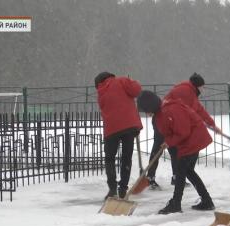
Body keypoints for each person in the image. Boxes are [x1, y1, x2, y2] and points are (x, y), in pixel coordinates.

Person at [137, 90, 215, 214]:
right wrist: (167, 140)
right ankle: (206, 201)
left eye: (145, 110)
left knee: (181, 170)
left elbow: (183, 132)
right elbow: (171, 131)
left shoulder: (170, 110)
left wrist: (169, 141)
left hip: (193, 140)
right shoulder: (161, 113)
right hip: (191, 140)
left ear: (150, 106)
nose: (146, 114)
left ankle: (176, 203)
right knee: (187, 171)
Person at [146, 73, 222, 190]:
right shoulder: (185, 91)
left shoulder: (190, 91)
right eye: (202, 87)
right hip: (163, 122)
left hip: (171, 123)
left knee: (175, 149)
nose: (203, 90)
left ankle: (176, 177)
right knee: (159, 148)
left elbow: (198, 110)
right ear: (196, 86)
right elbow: (186, 113)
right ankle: (150, 177)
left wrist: (212, 124)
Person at [95, 72, 142, 200]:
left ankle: (112, 188)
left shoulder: (101, 91)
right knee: (126, 158)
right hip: (129, 126)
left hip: (112, 129)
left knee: (110, 158)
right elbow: (137, 90)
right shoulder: (122, 81)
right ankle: (123, 188)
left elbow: (103, 107)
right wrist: (132, 81)